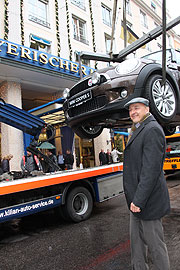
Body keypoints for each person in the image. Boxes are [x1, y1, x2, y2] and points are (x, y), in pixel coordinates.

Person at [123, 97, 170, 270]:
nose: (133, 112)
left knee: (156, 247)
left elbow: (151, 171)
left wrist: (139, 200)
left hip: (147, 201)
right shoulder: (138, 129)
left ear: (147, 109)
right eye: (130, 109)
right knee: (137, 247)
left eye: (137, 108)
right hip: (136, 201)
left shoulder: (152, 130)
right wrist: (134, 200)